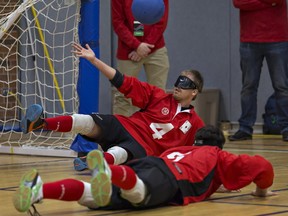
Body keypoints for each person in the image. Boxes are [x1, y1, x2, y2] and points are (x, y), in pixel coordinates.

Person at [13, 126, 276, 215]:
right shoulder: (217, 155)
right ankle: (108, 170)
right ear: (218, 144)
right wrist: (261, 191)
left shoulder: (183, 149)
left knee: (93, 196)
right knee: (139, 194)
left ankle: (39, 189)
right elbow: (263, 166)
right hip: (172, 177)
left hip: (151, 163)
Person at [21, 42, 205, 169]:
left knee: (121, 153)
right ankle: (40, 124)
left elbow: (202, 155)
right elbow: (122, 81)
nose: (178, 85)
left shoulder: (195, 124)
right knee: (87, 120)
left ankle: (96, 162)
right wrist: (93, 60)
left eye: (185, 83)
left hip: (144, 149)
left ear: (194, 91)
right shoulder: (158, 96)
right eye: (178, 81)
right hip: (125, 125)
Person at [229, 0, 288, 142]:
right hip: (249, 40)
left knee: (282, 87)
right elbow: (238, 3)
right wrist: (268, 3)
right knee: (248, 87)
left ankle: (286, 128)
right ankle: (245, 128)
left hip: (278, 39)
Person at [111, 0, 170, 116]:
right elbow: (118, 22)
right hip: (128, 52)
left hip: (155, 49)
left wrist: (145, 46)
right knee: (123, 96)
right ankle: (121, 131)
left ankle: (155, 130)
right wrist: (137, 45)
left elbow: (161, 19)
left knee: (159, 95)